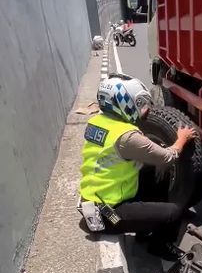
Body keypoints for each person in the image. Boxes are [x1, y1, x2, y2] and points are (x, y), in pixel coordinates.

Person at [79, 73, 195, 261]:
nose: (144, 110)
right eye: (139, 103)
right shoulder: (127, 137)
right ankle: (159, 246)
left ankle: (145, 227)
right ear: (124, 102)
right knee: (174, 212)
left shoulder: (96, 122)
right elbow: (168, 157)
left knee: (154, 172)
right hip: (106, 216)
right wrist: (181, 139)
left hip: (94, 199)